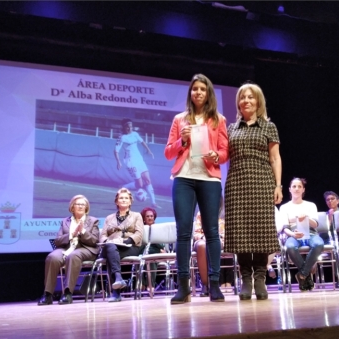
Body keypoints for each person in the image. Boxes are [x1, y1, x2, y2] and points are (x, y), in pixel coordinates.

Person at [164, 73, 229, 304]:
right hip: (183, 177)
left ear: (208, 93)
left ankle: (213, 284)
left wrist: (216, 155)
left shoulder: (218, 120)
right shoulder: (179, 119)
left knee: (211, 231)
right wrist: (181, 140)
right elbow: (168, 152)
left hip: (209, 179)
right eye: (194, 89)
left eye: (202, 89)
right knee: (184, 232)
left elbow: (224, 151)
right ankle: (183, 286)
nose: (198, 92)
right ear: (190, 93)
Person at [224, 82, 282, 301]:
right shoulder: (231, 128)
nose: (246, 101)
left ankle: (260, 278)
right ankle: (245, 278)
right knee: (240, 232)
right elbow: (222, 155)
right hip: (237, 183)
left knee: (261, 231)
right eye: (242, 97)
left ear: (258, 101)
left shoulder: (269, 127)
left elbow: (275, 158)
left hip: (262, 182)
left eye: (250, 97)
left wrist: (278, 185)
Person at [38, 195, 100, 305]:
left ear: (86, 207)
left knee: (73, 256)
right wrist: (72, 234)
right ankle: (48, 294)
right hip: (66, 248)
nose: (80, 206)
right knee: (52, 257)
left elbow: (94, 241)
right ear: (72, 207)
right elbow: (58, 241)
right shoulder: (65, 221)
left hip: (85, 249)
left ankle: (67, 293)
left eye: (83, 204)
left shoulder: (93, 221)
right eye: (78, 204)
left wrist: (83, 232)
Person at [279, 178, 325, 292]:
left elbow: (315, 225)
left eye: (299, 186)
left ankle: (302, 274)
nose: (296, 189)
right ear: (289, 189)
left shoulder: (311, 205)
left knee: (319, 244)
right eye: (294, 186)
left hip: (310, 232)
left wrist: (306, 218)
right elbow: (285, 228)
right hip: (293, 234)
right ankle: (306, 275)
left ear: (303, 189)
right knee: (290, 247)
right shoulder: (284, 207)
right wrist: (293, 235)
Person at [99, 187, 144, 302]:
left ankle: (116, 292)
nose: (123, 200)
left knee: (112, 254)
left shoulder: (137, 216)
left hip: (130, 246)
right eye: (121, 198)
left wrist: (125, 242)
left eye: (126, 198)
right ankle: (118, 278)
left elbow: (139, 234)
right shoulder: (109, 218)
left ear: (130, 201)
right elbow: (103, 235)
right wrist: (107, 241)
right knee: (111, 248)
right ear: (116, 201)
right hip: (111, 245)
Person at [115, 118, 160, 209]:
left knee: (147, 180)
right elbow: (115, 151)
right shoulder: (122, 137)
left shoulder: (135, 134)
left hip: (139, 160)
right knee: (140, 185)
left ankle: (153, 202)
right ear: (124, 127)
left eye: (131, 126)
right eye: (127, 126)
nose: (130, 128)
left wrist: (149, 150)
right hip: (130, 162)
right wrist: (119, 161)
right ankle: (125, 186)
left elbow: (142, 141)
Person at [193, 208, 225, 296]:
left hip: (219, 239)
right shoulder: (201, 213)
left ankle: (214, 283)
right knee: (202, 246)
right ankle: (205, 284)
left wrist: (216, 238)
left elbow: (226, 233)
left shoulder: (224, 213)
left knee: (215, 243)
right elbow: (196, 233)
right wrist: (204, 237)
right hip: (203, 239)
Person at [140, 207, 166, 295]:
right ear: (144, 218)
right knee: (144, 256)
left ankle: (147, 285)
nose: (150, 218)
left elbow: (162, 245)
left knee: (150, 256)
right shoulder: (140, 229)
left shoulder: (158, 228)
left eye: (151, 216)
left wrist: (152, 240)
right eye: (147, 216)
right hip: (143, 253)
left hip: (154, 254)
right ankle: (146, 284)